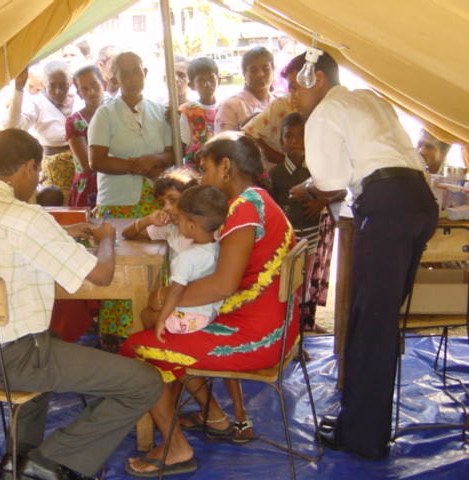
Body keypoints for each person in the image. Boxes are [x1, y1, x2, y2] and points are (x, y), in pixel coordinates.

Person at [0, 128, 163, 480]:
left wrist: (62, 235)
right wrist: (106, 238)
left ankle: (17, 460)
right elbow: (102, 275)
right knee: (145, 383)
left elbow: (13, 239)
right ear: (27, 167)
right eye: (37, 172)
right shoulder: (27, 218)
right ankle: (52, 460)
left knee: (50, 347)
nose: (37, 180)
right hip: (15, 360)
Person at [287, 50, 438, 460]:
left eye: (292, 87)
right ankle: (359, 419)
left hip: (388, 206)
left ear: (314, 77)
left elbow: (331, 182)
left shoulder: (322, 113)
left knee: (371, 324)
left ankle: (365, 436)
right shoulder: (367, 96)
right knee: (373, 319)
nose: (291, 99)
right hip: (419, 202)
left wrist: (307, 189)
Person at [121, 132, 299, 476]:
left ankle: (176, 449)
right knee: (163, 325)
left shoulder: (244, 209)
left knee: (138, 347)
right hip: (273, 326)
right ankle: (214, 417)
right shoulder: (258, 200)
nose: (202, 179)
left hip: (257, 337)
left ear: (226, 166)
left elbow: (221, 285)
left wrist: (163, 300)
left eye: (205, 169)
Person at [88, 51, 174, 350]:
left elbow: (171, 152)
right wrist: (137, 165)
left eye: (136, 71)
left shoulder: (158, 111)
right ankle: (115, 336)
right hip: (118, 203)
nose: (132, 78)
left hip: (152, 202)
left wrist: (155, 159)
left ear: (145, 72)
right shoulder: (106, 113)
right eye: (124, 74)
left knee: (155, 265)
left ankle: (151, 328)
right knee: (119, 267)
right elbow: (96, 159)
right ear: (115, 79)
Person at [269, 113, 343, 330]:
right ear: (282, 142)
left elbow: (339, 190)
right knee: (288, 282)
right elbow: (270, 206)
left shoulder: (318, 170)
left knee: (307, 280)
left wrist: (321, 201)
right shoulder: (276, 174)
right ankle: (287, 325)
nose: (295, 141)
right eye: (289, 136)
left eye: (301, 136)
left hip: (312, 237)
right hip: (288, 240)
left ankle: (306, 322)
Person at [143, 185, 227, 339]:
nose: (177, 222)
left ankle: (154, 340)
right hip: (210, 313)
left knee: (146, 314)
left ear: (191, 226)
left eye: (180, 219)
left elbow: (175, 292)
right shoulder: (218, 246)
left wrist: (161, 319)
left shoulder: (186, 257)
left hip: (190, 318)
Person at [4, 60, 75, 204]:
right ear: (43, 84)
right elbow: (13, 127)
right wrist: (18, 89)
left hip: (81, 173)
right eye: (52, 86)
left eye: (63, 85)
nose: (58, 91)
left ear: (71, 82)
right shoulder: (37, 103)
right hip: (55, 177)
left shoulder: (80, 99)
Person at [65, 65, 105, 207]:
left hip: (116, 183)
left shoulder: (119, 112)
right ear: (79, 94)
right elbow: (87, 164)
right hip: (89, 188)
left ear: (104, 84)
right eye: (85, 89)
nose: (92, 92)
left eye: (95, 85)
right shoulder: (75, 122)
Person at [214, 47, 276, 133]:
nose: (260, 74)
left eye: (265, 69)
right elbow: (223, 143)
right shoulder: (231, 106)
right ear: (244, 73)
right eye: (253, 70)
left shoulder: (278, 103)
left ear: (273, 69)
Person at [178, 57, 220, 171]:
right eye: (201, 80)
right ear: (191, 85)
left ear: (219, 80)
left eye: (211, 79)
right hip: (196, 167)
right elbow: (185, 142)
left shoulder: (225, 108)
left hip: (220, 166)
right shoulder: (188, 110)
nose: (207, 84)